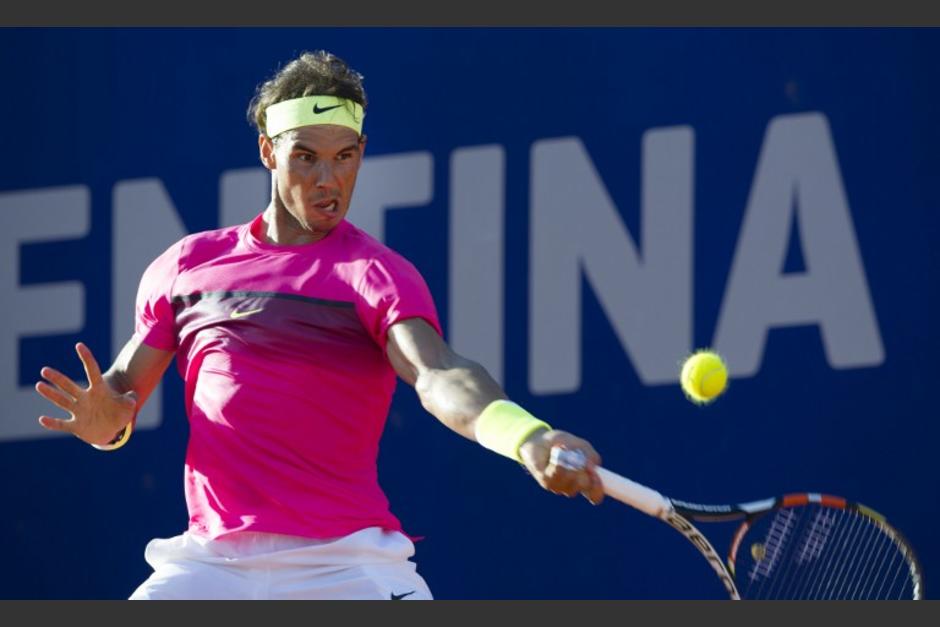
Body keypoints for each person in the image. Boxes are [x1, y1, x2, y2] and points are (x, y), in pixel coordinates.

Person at [33, 50, 604, 600]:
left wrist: (525, 436)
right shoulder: (188, 266)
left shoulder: (376, 275)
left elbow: (439, 373)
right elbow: (122, 392)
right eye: (306, 157)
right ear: (268, 151)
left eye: (345, 156)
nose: (328, 179)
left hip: (347, 565)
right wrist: (107, 424)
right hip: (209, 565)